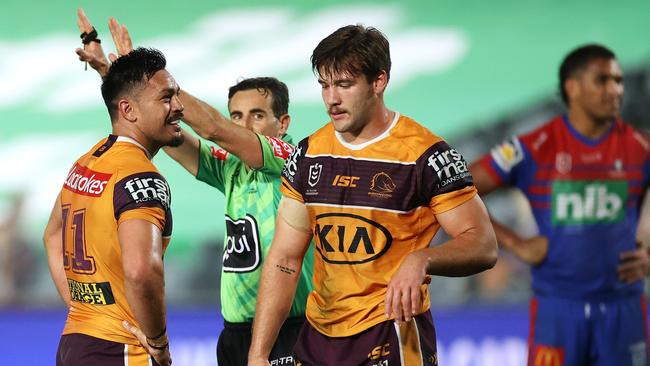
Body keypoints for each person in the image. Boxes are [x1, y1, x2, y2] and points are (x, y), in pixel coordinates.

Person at [248, 24, 498, 366]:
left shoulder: (426, 156)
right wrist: (258, 353)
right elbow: (285, 259)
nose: (331, 99)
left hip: (395, 333)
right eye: (325, 85)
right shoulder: (307, 156)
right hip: (319, 338)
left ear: (378, 82)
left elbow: (482, 244)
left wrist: (422, 259)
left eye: (345, 85)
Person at [74, 9, 314, 366]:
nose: (245, 125)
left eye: (258, 115)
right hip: (233, 333)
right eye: (237, 115)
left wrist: (152, 81)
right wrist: (120, 77)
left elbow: (214, 128)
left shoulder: (289, 159)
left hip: (289, 328)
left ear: (283, 124)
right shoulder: (231, 167)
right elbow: (167, 132)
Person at [470, 44, 650, 366]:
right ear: (573, 87)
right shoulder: (536, 147)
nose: (615, 90)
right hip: (557, 311)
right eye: (603, 80)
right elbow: (457, 188)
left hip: (623, 309)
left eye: (619, 81)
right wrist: (516, 244)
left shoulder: (640, 147)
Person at [43, 47, 182, 366]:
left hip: (76, 342)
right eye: (167, 98)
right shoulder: (142, 177)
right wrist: (158, 343)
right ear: (128, 110)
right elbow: (141, 269)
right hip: (120, 350)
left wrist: (83, 311)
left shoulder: (86, 163)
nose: (179, 107)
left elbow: (52, 236)